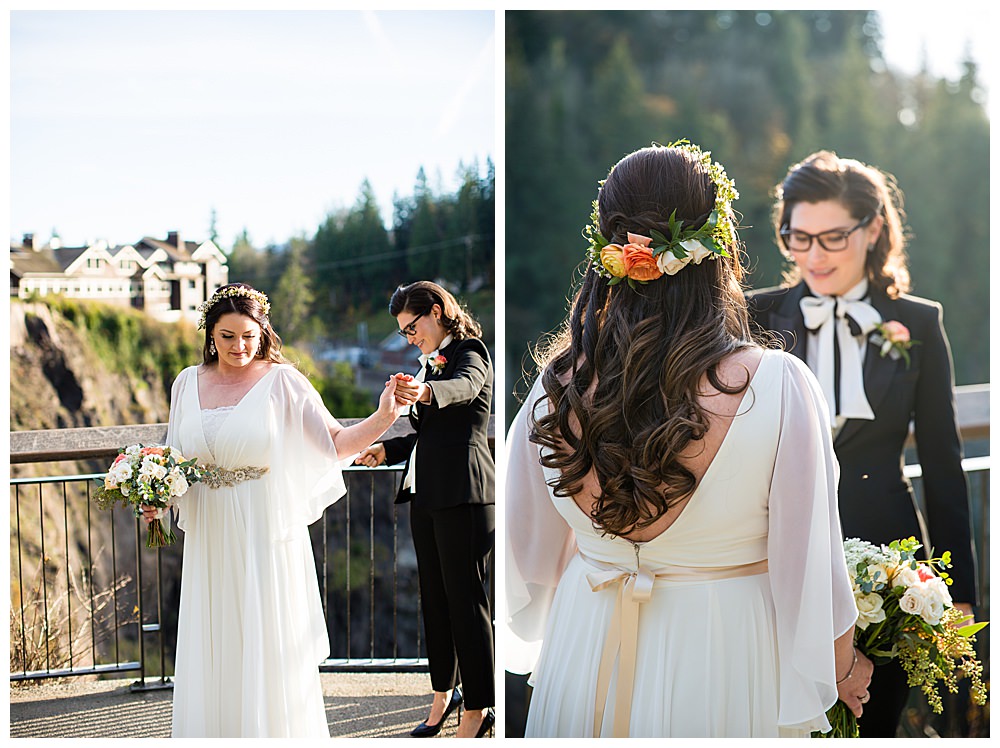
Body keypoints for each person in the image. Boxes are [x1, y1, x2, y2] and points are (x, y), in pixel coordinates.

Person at [504, 142, 872, 738]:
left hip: (586, 643)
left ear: (608, 252)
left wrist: (607, 550)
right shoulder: (776, 385)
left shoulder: (555, 386)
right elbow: (811, 576)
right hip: (724, 655)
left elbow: (526, 560)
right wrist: (844, 665)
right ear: (719, 246)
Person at [747, 151, 978, 737]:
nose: (814, 256)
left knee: (875, 723)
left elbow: (944, 465)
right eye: (798, 238)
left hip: (890, 565)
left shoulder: (919, 324)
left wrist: (958, 598)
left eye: (831, 238)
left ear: (873, 229)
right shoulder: (754, 316)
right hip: (772, 563)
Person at [143, 282, 408, 738]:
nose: (238, 346)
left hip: (262, 528)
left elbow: (334, 443)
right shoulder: (186, 382)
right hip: (210, 530)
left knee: (264, 637)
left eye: (247, 335)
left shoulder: (283, 381)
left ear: (262, 332)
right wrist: (157, 497)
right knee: (215, 637)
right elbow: (174, 458)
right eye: (226, 336)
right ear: (210, 335)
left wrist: (384, 416)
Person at [355, 281, 496, 739]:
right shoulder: (427, 365)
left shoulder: (470, 351)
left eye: (412, 327)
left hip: (465, 495)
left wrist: (426, 392)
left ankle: (480, 707)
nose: (410, 337)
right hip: (427, 495)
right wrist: (386, 449)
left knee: (467, 603)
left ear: (437, 312)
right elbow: (428, 437)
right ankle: (442, 695)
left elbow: (465, 387)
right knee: (434, 601)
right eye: (403, 332)